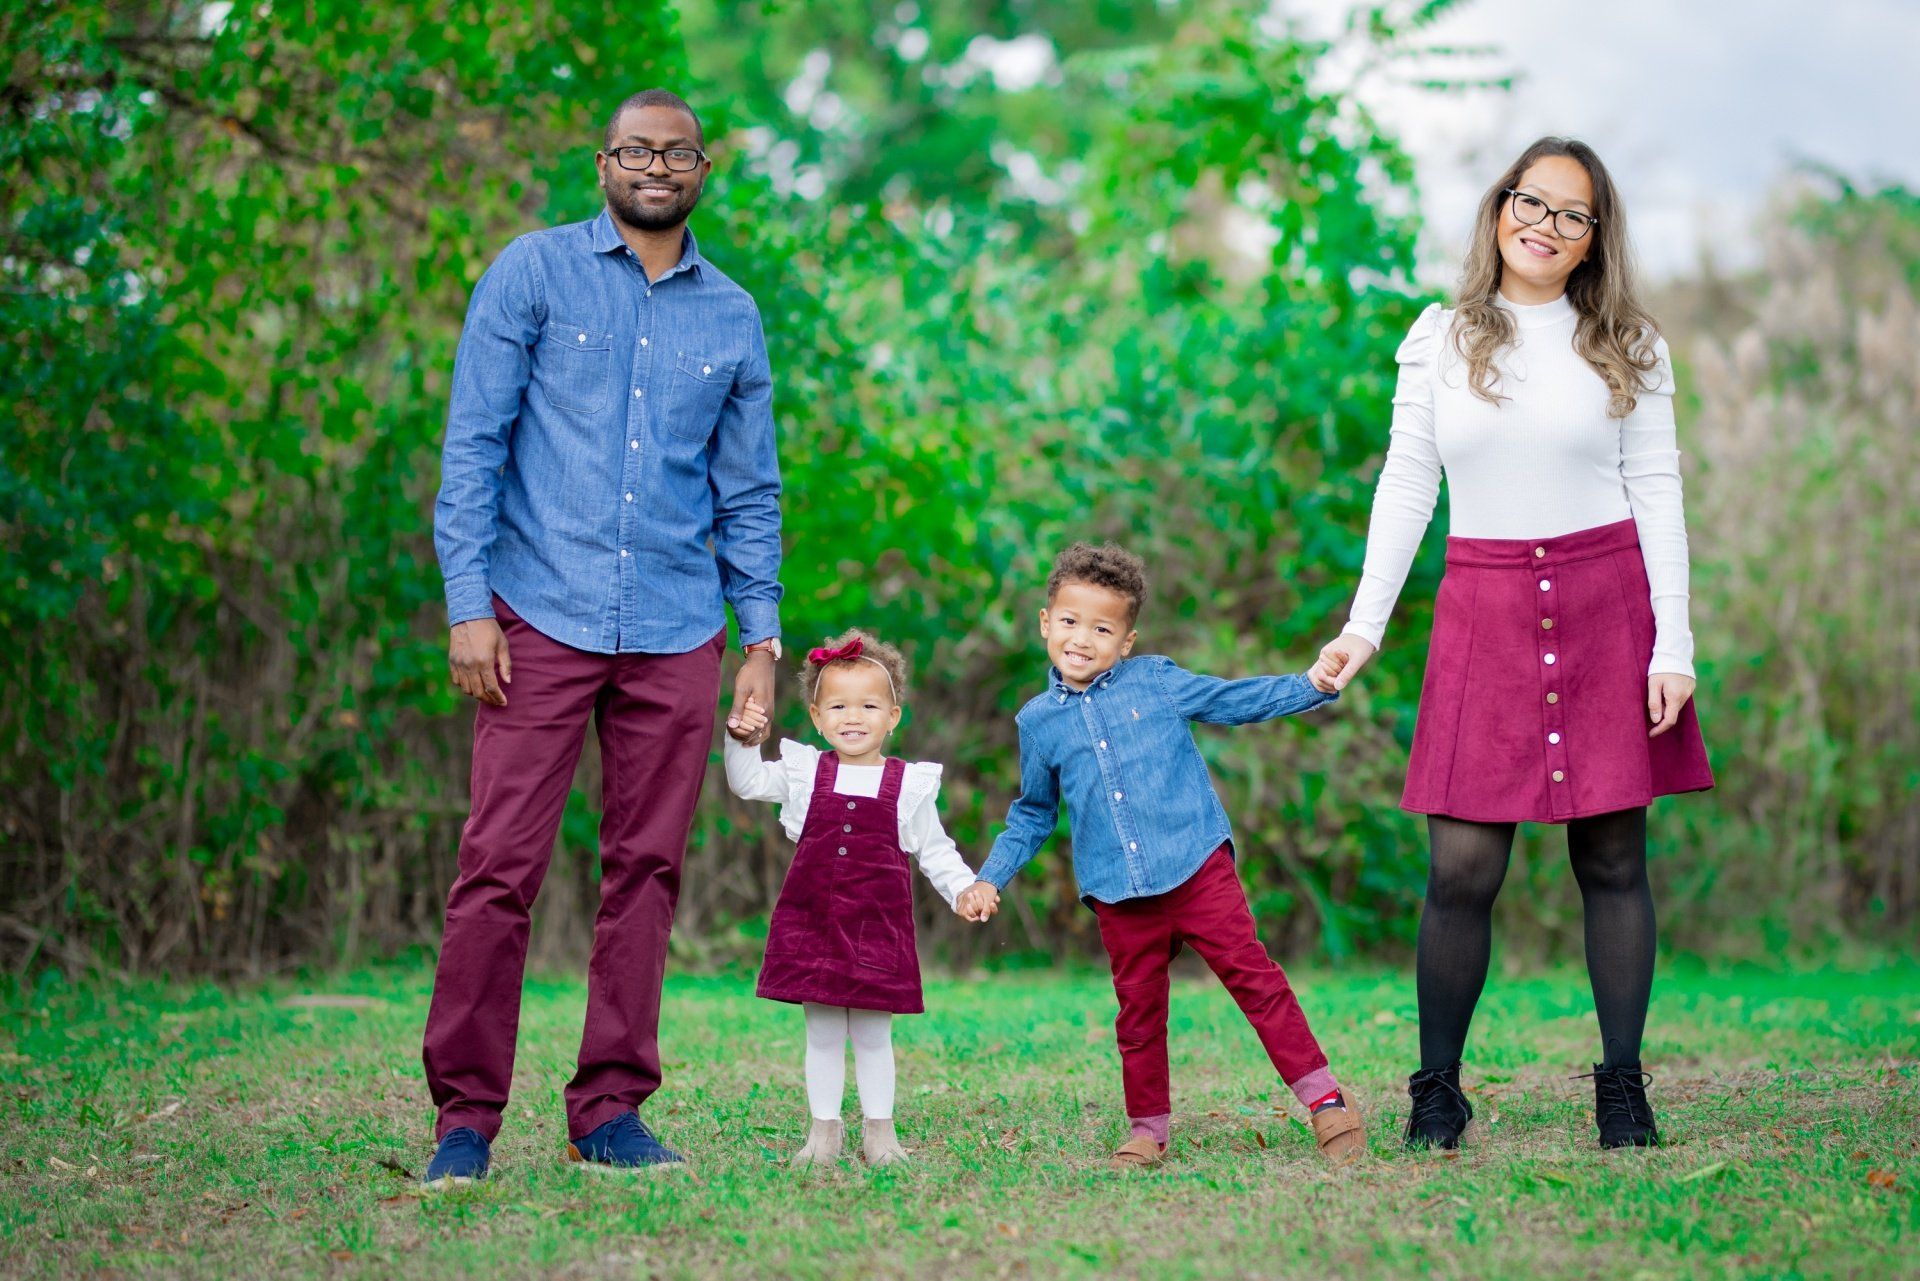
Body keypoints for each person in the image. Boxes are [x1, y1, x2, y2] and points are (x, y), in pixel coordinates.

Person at [1310, 137, 1713, 1151]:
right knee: (1461, 868)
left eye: (1572, 214)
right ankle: (1436, 1092)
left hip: (1606, 604)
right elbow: (1409, 481)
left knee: (1612, 857)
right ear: (1500, 209)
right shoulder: (1439, 338)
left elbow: (1657, 491)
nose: (1546, 225)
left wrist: (1673, 643)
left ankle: (1622, 1088)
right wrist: (1364, 624)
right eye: (1531, 202)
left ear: (1592, 239)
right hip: (1482, 608)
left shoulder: (1629, 345)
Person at [420, 88, 784, 1187]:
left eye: (676, 153)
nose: (655, 167)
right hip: (538, 614)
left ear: (704, 170)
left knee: (648, 870)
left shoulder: (734, 315)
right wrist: (468, 605)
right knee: (498, 868)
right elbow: (473, 446)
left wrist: (760, 640)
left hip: (677, 626)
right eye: (637, 150)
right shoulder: (532, 272)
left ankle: (611, 1109)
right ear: (604, 162)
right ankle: (465, 1120)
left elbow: (749, 492)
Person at [972, 542, 1365, 1170]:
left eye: (1102, 629)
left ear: (1126, 641)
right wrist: (992, 877)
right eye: (1069, 621)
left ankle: (1325, 1100)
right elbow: (1034, 812)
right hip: (1118, 893)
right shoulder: (1037, 722)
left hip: (1194, 866)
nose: (1082, 639)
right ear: (1045, 622)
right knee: (1138, 1014)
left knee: (1256, 981)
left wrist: (1309, 685)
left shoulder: (1155, 680)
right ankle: (1148, 1128)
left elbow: (1231, 701)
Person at [724, 630, 993, 1168]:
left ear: (892, 717)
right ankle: (824, 1132)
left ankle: (880, 1134)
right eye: (839, 706)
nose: (853, 717)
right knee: (823, 1033)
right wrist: (742, 737)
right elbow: (746, 782)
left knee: (873, 1035)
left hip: (877, 930)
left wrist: (965, 887)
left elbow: (936, 850)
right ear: (818, 717)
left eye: (869, 706)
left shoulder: (908, 786)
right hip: (814, 925)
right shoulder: (805, 774)